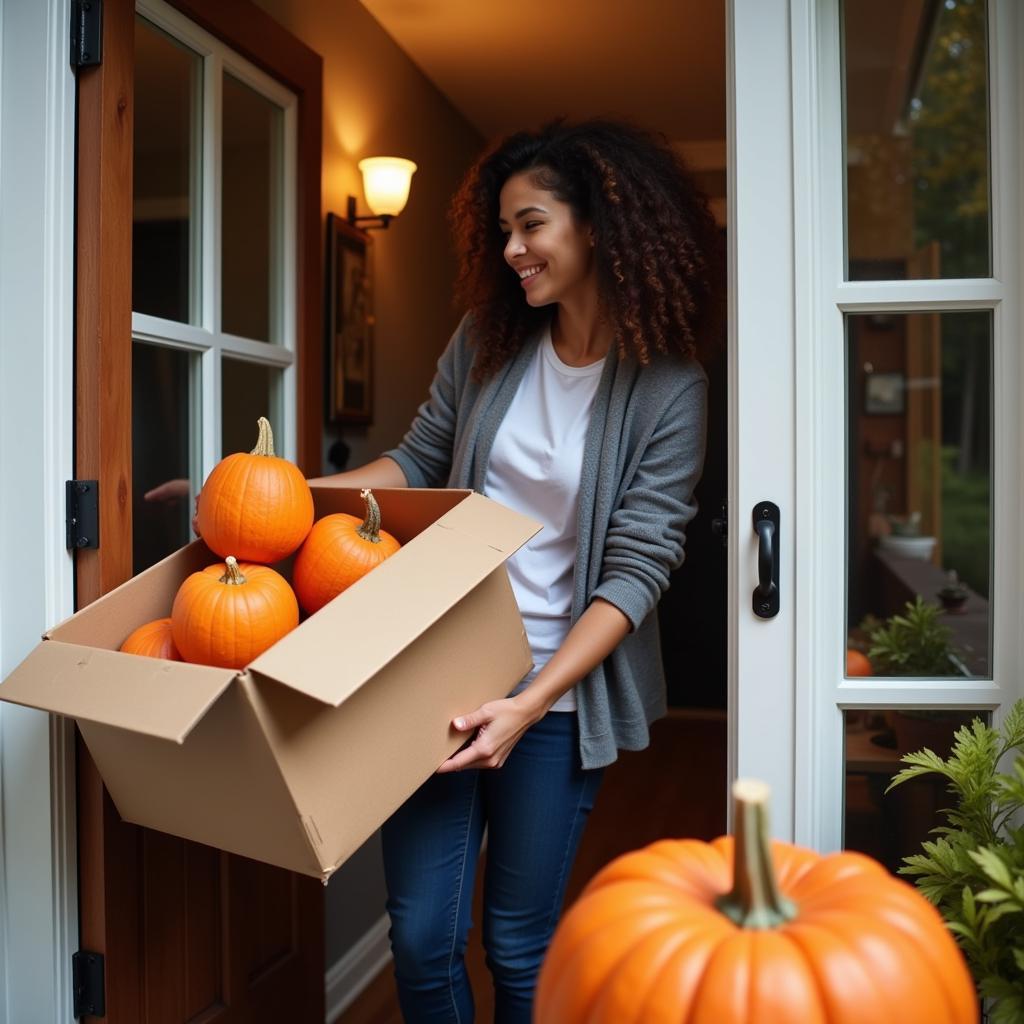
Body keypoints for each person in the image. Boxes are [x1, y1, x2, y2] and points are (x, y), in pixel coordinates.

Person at [328, 118, 720, 1022]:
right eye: (502, 229)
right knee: (422, 937)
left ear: (597, 226)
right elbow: (419, 458)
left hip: (556, 696)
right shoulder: (487, 342)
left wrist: (531, 702)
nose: (512, 250)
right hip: (442, 674)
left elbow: (638, 565)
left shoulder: (669, 387)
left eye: (531, 225)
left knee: (516, 943)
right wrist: (279, 489)